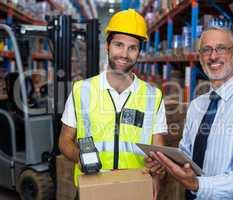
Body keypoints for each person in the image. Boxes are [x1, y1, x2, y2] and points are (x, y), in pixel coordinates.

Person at [146, 26, 233, 200]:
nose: (213, 56)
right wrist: (165, 163)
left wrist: (197, 184)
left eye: (221, 48)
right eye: (206, 50)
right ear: (200, 59)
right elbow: (187, 154)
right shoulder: (197, 106)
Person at [59, 9, 167, 199]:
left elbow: (157, 150)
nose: (124, 54)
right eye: (119, 45)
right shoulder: (81, 90)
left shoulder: (153, 96)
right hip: (92, 185)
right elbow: (64, 141)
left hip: (135, 186)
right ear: (107, 45)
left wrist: (157, 174)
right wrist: (82, 158)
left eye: (132, 48)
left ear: (139, 52)